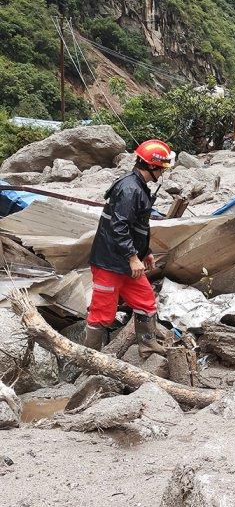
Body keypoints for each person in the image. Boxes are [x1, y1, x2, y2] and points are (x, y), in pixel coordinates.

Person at [84, 139, 175, 357]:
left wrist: (146, 252)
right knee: (102, 314)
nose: (162, 173)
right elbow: (119, 226)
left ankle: (147, 343)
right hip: (110, 263)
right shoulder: (129, 189)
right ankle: (88, 357)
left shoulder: (137, 187)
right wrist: (133, 257)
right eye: (161, 169)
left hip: (126, 261)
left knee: (145, 301)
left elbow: (137, 227)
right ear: (152, 166)